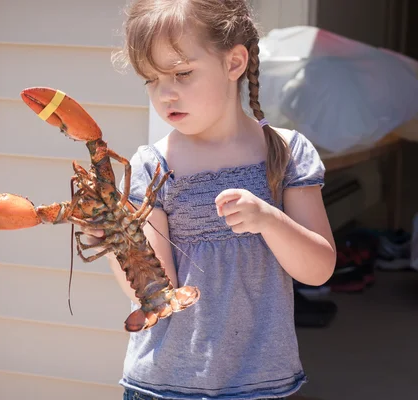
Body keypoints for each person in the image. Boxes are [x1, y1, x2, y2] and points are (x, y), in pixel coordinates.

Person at [82, 1, 337, 399]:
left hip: (261, 385)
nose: (166, 94)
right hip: (163, 387)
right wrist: (116, 240)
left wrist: (269, 220)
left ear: (234, 63)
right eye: (151, 79)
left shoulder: (286, 153)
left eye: (182, 73)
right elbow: (152, 293)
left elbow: (319, 269)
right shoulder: (153, 166)